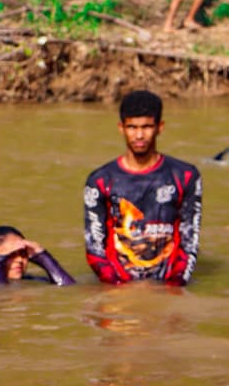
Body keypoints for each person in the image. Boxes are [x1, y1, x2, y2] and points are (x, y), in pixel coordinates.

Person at [83, 90, 202, 286]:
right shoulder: (100, 181)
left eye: (147, 127)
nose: (139, 135)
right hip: (118, 288)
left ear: (160, 127)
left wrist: (175, 288)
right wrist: (116, 288)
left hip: (168, 286)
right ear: (121, 128)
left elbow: (189, 242)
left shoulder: (185, 176)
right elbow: (94, 248)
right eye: (132, 127)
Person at [0, 225, 75, 285]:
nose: (20, 259)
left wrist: (43, 257)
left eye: (23, 253)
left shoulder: (29, 280)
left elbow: (68, 288)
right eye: (11, 254)